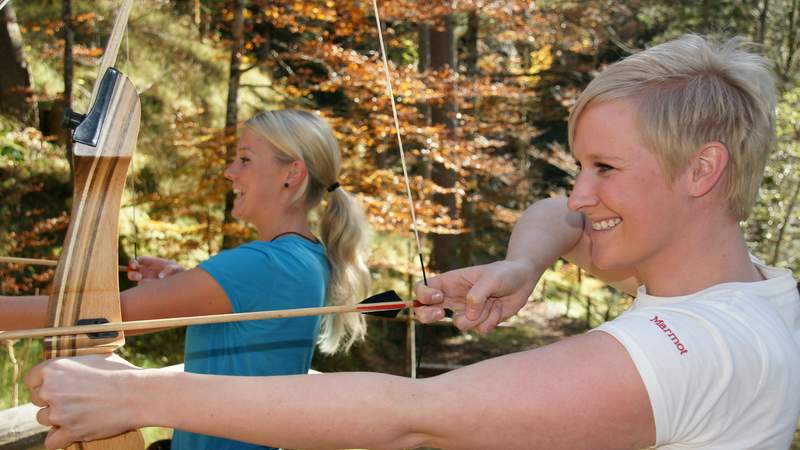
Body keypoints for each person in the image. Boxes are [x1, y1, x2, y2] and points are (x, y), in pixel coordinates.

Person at [22, 34, 800, 449]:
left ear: (703, 170)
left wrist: (131, 395)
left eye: (604, 168)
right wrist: (523, 264)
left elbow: (414, 415)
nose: (579, 194)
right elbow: (553, 214)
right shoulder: (753, 286)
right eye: (577, 165)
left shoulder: (695, 346)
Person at [1, 109, 372, 450]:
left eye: (245, 159)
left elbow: (97, 320)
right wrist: (184, 280)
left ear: (291, 174)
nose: (230, 171)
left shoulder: (262, 265)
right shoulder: (306, 257)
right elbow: (252, 308)